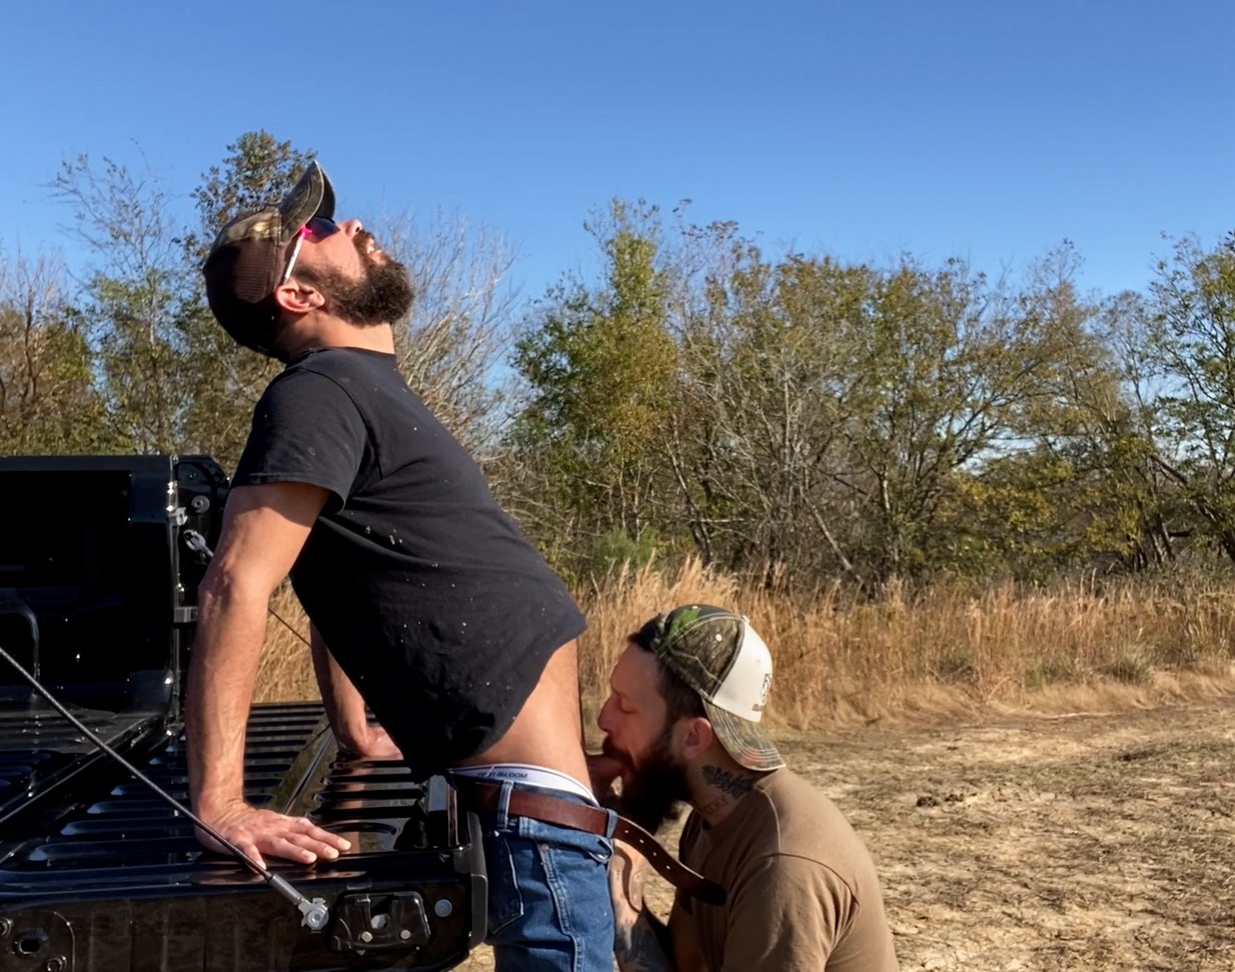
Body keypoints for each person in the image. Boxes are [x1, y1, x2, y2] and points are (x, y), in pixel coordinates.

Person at [189, 161, 612, 969]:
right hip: (536, 822)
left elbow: (336, 573)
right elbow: (236, 583)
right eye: (320, 230)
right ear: (298, 294)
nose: (352, 226)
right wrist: (221, 803)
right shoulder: (318, 392)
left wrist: (354, 729)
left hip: (545, 812)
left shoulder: (356, 389)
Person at [592, 604, 898, 972]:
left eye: (625, 707)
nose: (603, 718)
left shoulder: (783, 868)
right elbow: (684, 968)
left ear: (693, 737)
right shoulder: (712, 817)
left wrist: (620, 882)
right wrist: (620, 865)